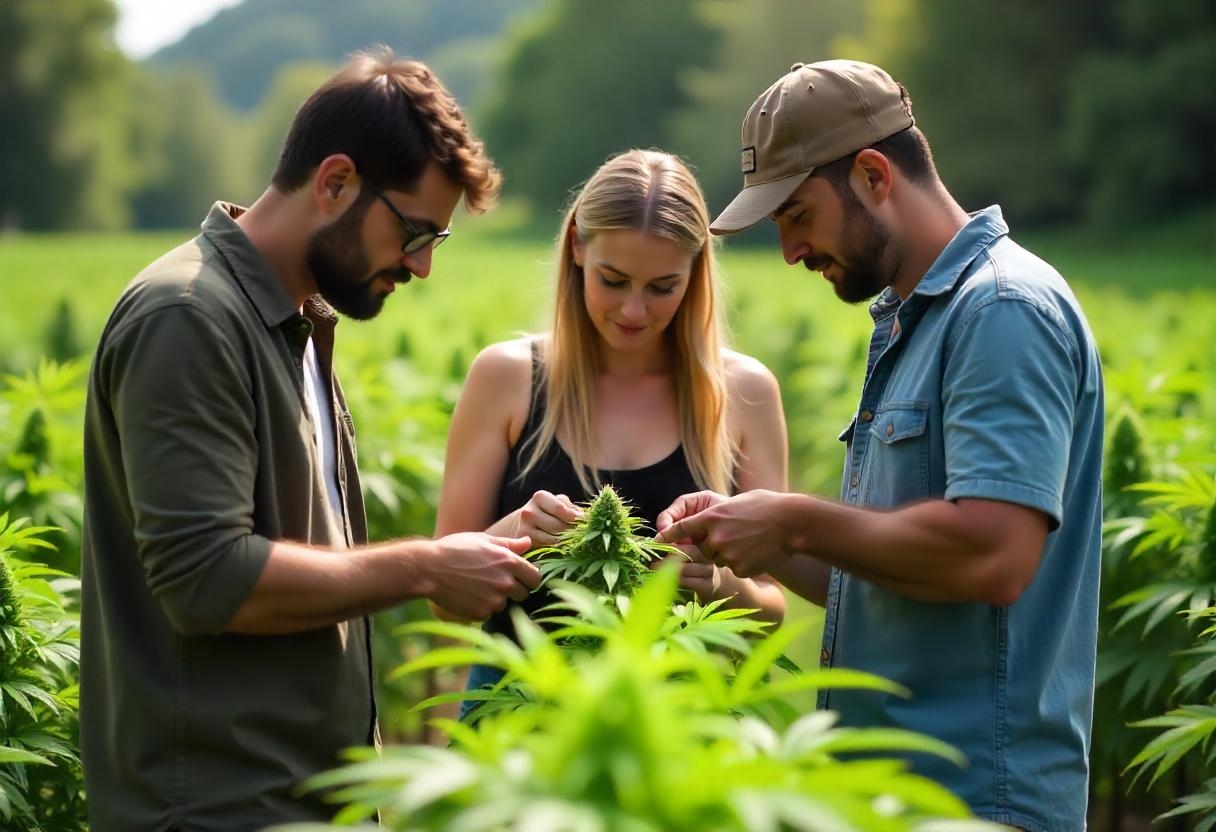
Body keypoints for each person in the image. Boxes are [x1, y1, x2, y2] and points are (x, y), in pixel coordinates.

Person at [79, 48, 542, 831]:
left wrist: (478, 555)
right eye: (416, 230)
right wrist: (427, 567)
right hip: (217, 809)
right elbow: (205, 578)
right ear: (334, 183)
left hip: (299, 801)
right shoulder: (188, 317)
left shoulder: (292, 322)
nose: (423, 266)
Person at [656, 61, 1103, 832]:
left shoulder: (1000, 311)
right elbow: (890, 570)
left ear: (871, 175)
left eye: (797, 215)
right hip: (893, 791)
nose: (790, 251)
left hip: (973, 796)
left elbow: (993, 556)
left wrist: (795, 521)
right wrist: (746, 534)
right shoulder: (918, 319)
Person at [433, 149, 789, 712]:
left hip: (674, 719)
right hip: (520, 709)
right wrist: (511, 533)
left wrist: (718, 586)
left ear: (697, 270)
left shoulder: (744, 391)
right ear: (576, 245)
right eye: (614, 280)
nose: (634, 310)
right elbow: (445, 604)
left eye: (662, 286)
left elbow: (772, 608)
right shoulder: (506, 377)